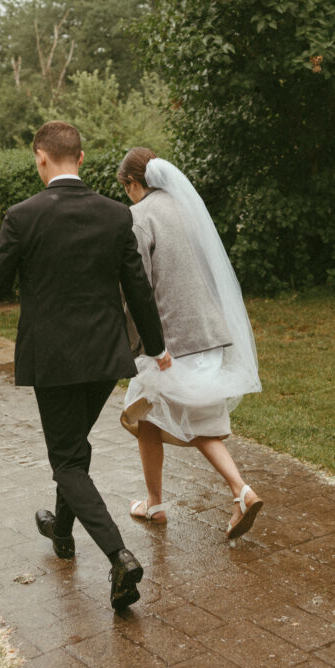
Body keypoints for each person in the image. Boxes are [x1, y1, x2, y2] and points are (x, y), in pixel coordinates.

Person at [0, 122, 171, 611]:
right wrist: (156, 345)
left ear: (40, 158)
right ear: (81, 157)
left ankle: (119, 556)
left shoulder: (22, 216)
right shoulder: (117, 214)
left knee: (67, 461)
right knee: (75, 445)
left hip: (52, 360)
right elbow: (138, 287)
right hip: (103, 358)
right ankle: (61, 534)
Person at [117, 147, 264, 540]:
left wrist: (134, 341)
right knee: (145, 416)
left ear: (133, 183)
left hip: (170, 342)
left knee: (188, 421)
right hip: (209, 334)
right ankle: (156, 503)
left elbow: (139, 286)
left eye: (126, 188)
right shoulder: (188, 208)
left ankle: (240, 490)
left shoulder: (139, 216)